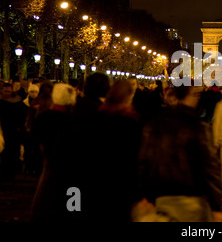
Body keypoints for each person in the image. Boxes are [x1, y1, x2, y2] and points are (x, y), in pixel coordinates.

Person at [137, 84, 222, 222]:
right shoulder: (198, 127)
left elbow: (143, 161)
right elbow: (210, 168)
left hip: (160, 198)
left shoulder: (154, 124)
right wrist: (217, 207)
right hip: (191, 198)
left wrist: (142, 195)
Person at [79, 80, 141, 222]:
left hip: (96, 180)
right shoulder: (130, 123)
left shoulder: (96, 118)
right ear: (128, 97)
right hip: (121, 183)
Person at [31, 83, 78, 221]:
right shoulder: (75, 119)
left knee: (47, 191)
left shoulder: (44, 117)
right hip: (72, 164)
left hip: (51, 161)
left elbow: (38, 138)